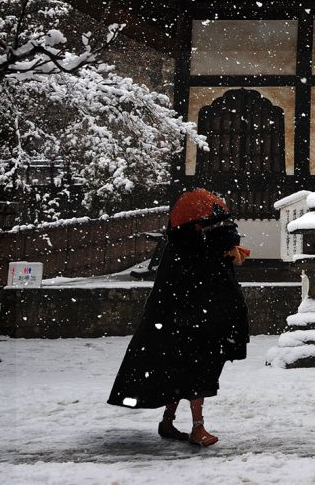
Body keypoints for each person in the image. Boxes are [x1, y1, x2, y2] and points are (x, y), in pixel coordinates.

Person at [108, 189, 250, 446]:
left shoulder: (190, 246)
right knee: (196, 376)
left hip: (183, 322)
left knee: (179, 374)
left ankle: (168, 421)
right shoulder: (199, 248)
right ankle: (197, 428)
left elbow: (177, 286)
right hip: (194, 324)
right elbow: (202, 284)